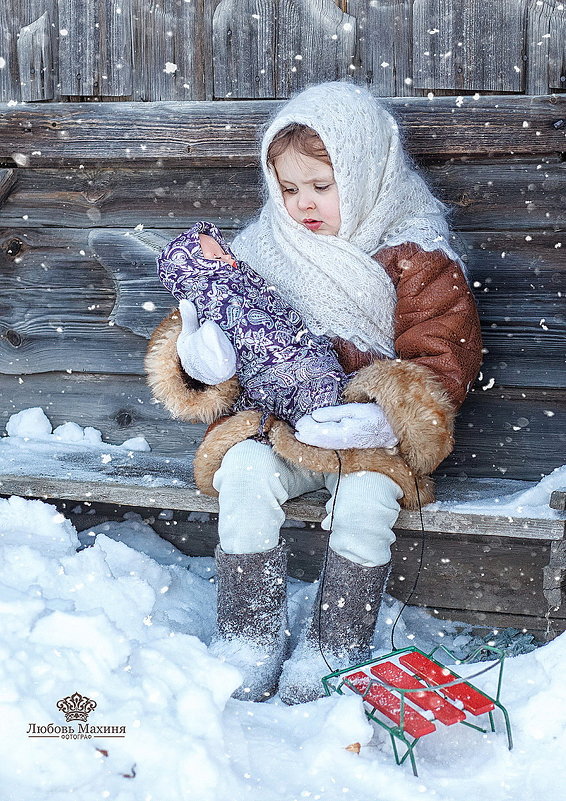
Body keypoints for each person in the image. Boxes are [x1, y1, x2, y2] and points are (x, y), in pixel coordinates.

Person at [145, 81, 482, 704]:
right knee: (243, 473)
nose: (303, 204)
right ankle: (250, 635)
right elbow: (224, 316)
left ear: (363, 172)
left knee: (365, 506)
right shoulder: (262, 246)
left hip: (372, 442)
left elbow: (444, 352)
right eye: (288, 188)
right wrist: (200, 360)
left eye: (322, 187)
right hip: (283, 429)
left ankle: (334, 647)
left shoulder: (415, 253)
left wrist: (386, 416)